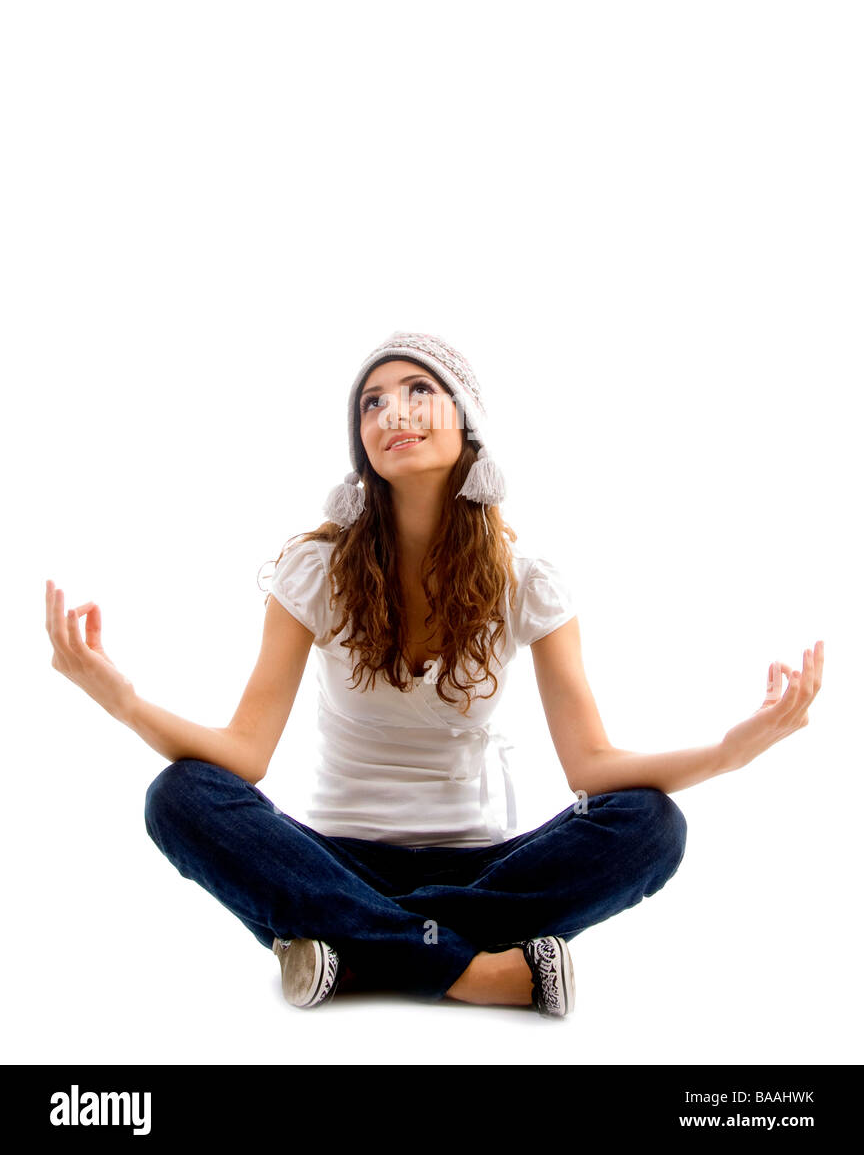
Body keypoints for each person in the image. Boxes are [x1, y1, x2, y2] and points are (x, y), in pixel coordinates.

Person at [44, 330, 824, 1019]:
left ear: (469, 424)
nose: (393, 412)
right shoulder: (313, 573)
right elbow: (245, 754)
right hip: (328, 857)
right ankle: (475, 971)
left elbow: (593, 767)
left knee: (652, 825)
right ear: (361, 444)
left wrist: (728, 753)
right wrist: (125, 702)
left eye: (420, 390)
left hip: (484, 866)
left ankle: (350, 947)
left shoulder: (529, 581)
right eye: (373, 402)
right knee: (179, 798)